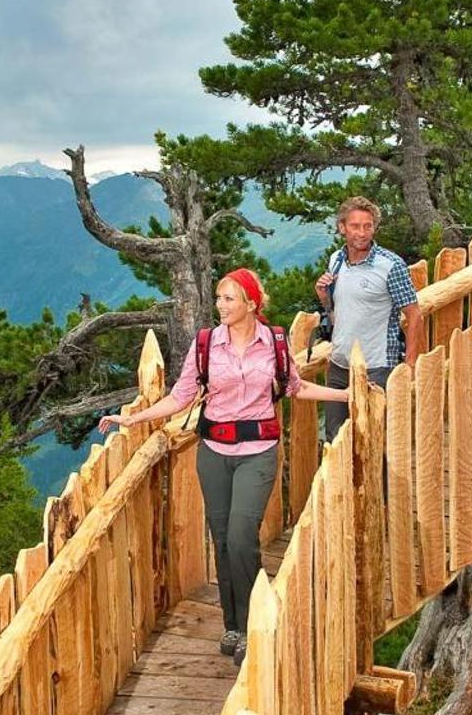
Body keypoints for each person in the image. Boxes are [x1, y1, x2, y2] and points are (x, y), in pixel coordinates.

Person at [99, 268, 348, 666]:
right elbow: (180, 397)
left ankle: (252, 625)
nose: (221, 306)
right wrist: (131, 420)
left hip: (258, 452)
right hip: (213, 453)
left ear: (252, 303)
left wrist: (346, 392)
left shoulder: (275, 344)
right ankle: (232, 624)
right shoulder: (206, 346)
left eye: (229, 299)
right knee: (222, 539)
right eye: (219, 298)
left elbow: (296, 389)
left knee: (241, 534)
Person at [315, 196, 423, 441]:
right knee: (336, 438)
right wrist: (323, 295)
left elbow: (414, 315)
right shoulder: (336, 260)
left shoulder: (391, 265)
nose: (362, 233)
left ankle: (381, 482)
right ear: (342, 227)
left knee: (372, 439)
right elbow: (338, 313)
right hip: (339, 364)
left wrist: (411, 364)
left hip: (377, 367)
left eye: (368, 226)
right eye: (355, 226)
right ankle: (341, 482)